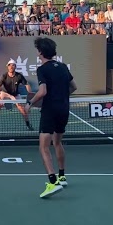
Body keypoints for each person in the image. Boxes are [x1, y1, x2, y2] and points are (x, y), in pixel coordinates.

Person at [25, 37, 75, 198]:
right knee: (57, 142)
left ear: (40, 52)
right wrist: (60, 96)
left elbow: (43, 92)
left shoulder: (42, 69)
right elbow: (74, 87)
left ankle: (52, 183)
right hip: (64, 109)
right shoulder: (62, 67)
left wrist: (30, 103)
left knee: (43, 147)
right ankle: (62, 176)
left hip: (50, 111)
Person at [0, 59, 33, 131]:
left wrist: (30, 95)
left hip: (15, 95)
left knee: (22, 110)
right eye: (9, 65)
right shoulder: (4, 76)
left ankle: (28, 125)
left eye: (13, 65)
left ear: (15, 67)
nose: (11, 67)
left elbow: (27, 85)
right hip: (4, 94)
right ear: (7, 67)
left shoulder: (19, 76)